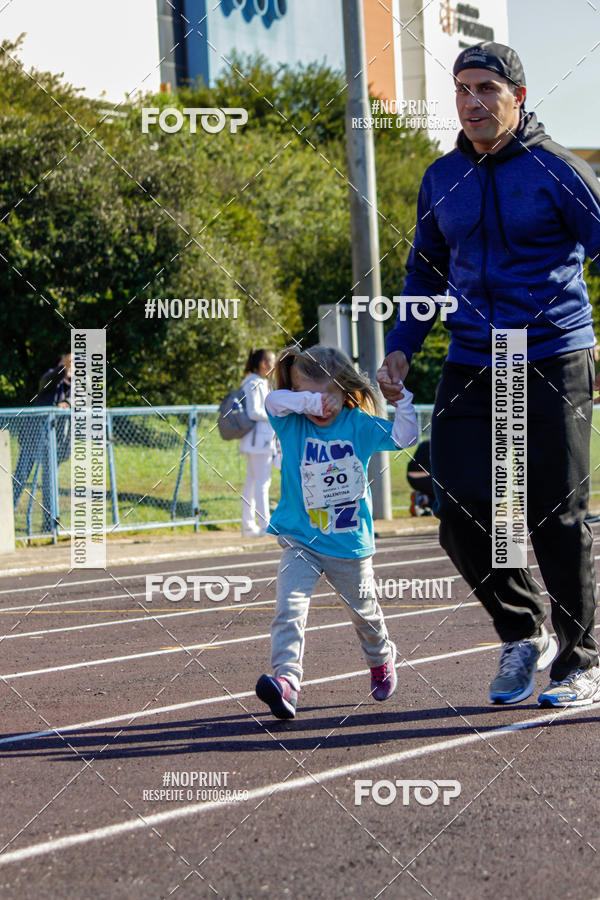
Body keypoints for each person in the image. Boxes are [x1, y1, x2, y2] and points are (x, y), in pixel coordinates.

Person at [377, 42, 600, 708]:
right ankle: (523, 629)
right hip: (474, 358)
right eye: (461, 89)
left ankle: (581, 663)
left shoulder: (561, 170)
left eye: (486, 89)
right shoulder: (442, 177)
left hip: (555, 355)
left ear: (518, 97)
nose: (471, 102)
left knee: (555, 515)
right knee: (456, 503)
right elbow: (424, 271)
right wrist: (401, 346)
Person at [254, 344, 418, 719]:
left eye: (325, 396)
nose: (319, 406)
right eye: (307, 396)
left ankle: (381, 658)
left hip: (348, 543)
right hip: (300, 539)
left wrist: (403, 400)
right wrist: (308, 402)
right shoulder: (292, 422)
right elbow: (272, 402)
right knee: (289, 609)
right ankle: (286, 682)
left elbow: (405, 437)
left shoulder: (357, 424)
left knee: (365, 615)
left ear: (344, 390)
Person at [13, 354, 72, 531]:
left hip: (53, 444)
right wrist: (64, 368)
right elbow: (49, 380)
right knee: (20, 477)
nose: (72, 366)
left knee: (49, 484)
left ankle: (48, 524)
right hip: (32, 439)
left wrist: (67, 403)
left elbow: (79, 400)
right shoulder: (49, 377)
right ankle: (6, 514)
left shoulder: (73, 386)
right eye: (68, 363)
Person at [239, 348, 276, 537]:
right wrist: (274, 416)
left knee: (253, 483)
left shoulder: (255, 382)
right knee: (262, 483)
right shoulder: (254, 383)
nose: (274, 366)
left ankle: (249, 525)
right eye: (272, 362)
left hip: (258, 440)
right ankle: (264, 525)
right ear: (263, 364)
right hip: (259, 441)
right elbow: (254, 412)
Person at [407, 440, 434, 516]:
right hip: (428, 478)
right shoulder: (441, 444)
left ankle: (422, 500)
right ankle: (424, 500)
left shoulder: (425, 443)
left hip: (411, 478)